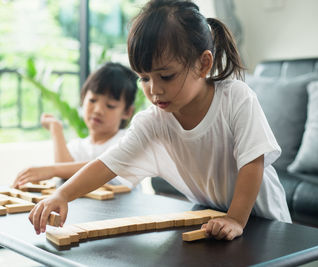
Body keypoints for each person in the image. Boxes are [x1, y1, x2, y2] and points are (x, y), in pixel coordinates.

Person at [28, 0, 291, 240]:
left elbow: (252, 162)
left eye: (166, 76)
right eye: (144, 78)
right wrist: (62, 194)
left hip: (263, 221)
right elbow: (107, 163)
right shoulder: (153, 121)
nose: (154, 90)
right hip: (212, 220)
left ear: (203, 64)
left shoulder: (236, 97)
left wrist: (236, 217)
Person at [12, 62, 138, 189]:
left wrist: (51, 170)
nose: (98, 110)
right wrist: (56, 129)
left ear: (127, 112)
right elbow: (64, 173)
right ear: (83, 99)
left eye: (110, 105)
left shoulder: (127, 141)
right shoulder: (78, 146)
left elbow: (105, 169)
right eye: (92, 100)